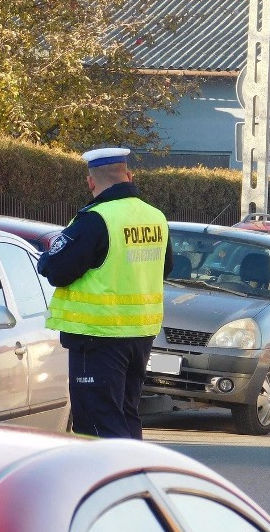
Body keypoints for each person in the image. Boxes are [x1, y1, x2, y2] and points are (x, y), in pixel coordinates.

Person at [37, 147, 173, 439]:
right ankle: (133, 479)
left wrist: (47, 258)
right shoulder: (156, 218)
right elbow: (166, 267)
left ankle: (108, 481)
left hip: (97, 336)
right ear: (129, 175)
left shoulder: (95, 220)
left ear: (90, 182)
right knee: (126, 414)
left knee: (97, 424)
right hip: (140, 335)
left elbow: (57, 270)